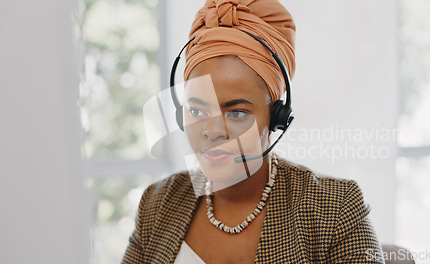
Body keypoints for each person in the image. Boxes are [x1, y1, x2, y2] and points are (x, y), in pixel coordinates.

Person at [122, 0, 384, 263]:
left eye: (236, 113)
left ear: (275, 118)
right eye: (198, 111)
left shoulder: (334, 209)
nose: (213, 132)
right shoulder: (158, 204)